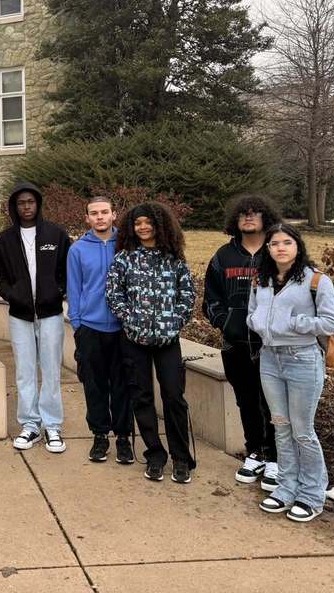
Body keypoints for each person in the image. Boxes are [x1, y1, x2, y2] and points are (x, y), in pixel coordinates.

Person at [248, 223, 334, 523]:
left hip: (302, 359)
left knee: (303, 430)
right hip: (269, 359)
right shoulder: (260, 280)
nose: (280, 248)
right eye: (274, 243)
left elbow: (331, 322)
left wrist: (297, 323)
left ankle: (312, 495)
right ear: (268, 249)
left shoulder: (316, 280)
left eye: (287, 242)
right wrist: (258, 322)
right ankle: (286, 487)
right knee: (281, 426)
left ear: (297, 246)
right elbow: (252, 313)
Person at [106, 202, 196, 484]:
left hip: (168, 341)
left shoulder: (174, 258)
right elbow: (113, 293)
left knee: (173, 398)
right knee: (141, 397)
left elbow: (188, 296)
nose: (143, 227)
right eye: (137, 223)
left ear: (160, 225)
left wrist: (175, 322)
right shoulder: (124, 258)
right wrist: (129, 319)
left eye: (148, 222)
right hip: (134, 339)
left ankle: (181, 459)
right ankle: (155, 455)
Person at [204, 195, 283, 490]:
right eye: (243, 214)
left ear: (266, 217)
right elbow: (211, 300)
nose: (249, 218)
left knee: (272, 401)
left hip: (272, 345)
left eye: (255, 213)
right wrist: (226, 323)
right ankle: (255, 453)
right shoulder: (223, 256)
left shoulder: (277, 251)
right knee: (246, 400)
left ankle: (276, 458)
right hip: (235, 345)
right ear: (235, 220)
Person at [0, 183, 71, 454]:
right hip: (20, 315)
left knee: (50, 371)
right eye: (20, 203)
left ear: (37, 204)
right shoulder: (5, 239)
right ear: (14, 207)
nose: (26, 207)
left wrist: (58, 292)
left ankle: (52, 426)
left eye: (30, 202)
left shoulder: (56, 234)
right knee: (25, 372)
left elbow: (66, 270)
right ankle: (30, 425)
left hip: (50, 314)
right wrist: (12, 295)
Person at [67, 195, 134, 465]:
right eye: (94, 213)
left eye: (104, 212)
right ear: (87, 218)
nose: (100, 217)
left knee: (122, 385)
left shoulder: (127, 245)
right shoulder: (78, 249)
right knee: (94, 386)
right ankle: (100, 436)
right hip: (91, 328)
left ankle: (123, 438)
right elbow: (74, 288)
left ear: (114, 214)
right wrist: (78, 323)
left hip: (122, 328)